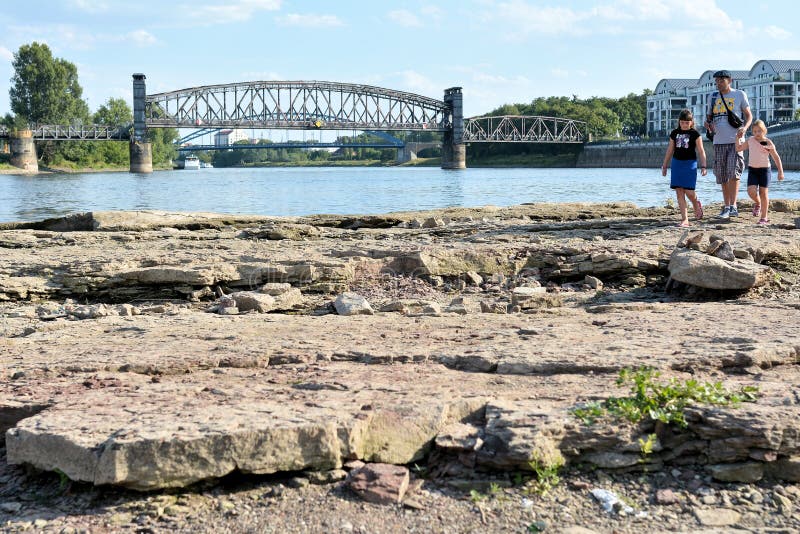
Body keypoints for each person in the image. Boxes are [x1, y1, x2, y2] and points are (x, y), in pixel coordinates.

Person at [703, 70, 752, 218]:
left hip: (735, 141)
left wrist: (745, 128)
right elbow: (709, 118)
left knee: (734, 173)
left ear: (729, 80)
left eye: (721, 80)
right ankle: (726, 207)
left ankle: (733, 206)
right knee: (723, 175)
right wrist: (708, 124)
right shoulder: (712, 97)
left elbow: (749, 116)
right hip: (718, 141)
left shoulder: (739, 94)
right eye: (716, 81)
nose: (718, 83)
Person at [661, 109, 707, 227]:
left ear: (691, 122)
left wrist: (703, 166)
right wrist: (665, 165)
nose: (684, 125)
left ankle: (696, 204)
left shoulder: (695, 134)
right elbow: (670, 150)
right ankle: (685, 219)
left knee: (689, 191)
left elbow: (701, 151)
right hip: (677, 164)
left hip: (690, 164)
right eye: (682, 122)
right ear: (679, 122)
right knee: (679, 191)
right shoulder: (674, 133)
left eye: (687, 122)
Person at [735, 119, 784, 225]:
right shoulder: (751, 140)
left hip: (765, 170)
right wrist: (737, 138)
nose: (757, 133)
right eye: (755, 131)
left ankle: (764, 217)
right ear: (753, 132)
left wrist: (780, 171)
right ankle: (758, 203)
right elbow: (738, 148)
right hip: (753, 170)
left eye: (760, 131)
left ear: (764, 131)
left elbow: (776, 157)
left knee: (763, 193)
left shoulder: (766, 142)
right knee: (751, 191)